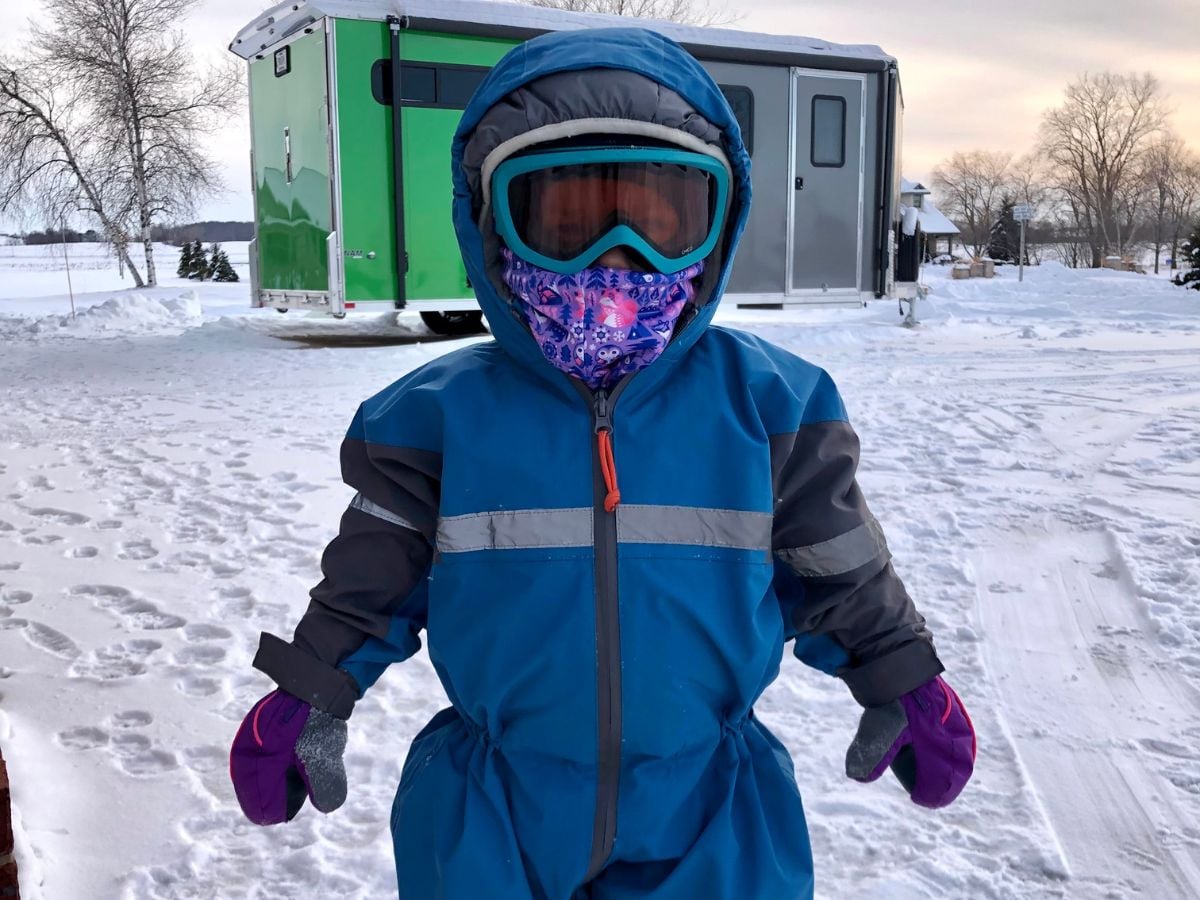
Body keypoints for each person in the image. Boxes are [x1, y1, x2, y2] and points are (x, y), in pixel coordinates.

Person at [229, 26, 976, 900]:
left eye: (660, 223)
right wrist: (311, 687)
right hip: (493, 809)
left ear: (715, 228)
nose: (615, 262)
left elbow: (842, 570)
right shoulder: (436, 421)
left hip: (710, 808)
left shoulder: (771, 411)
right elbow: (371, 583)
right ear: (493, 229)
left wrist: (902, 676)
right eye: (569, 223)